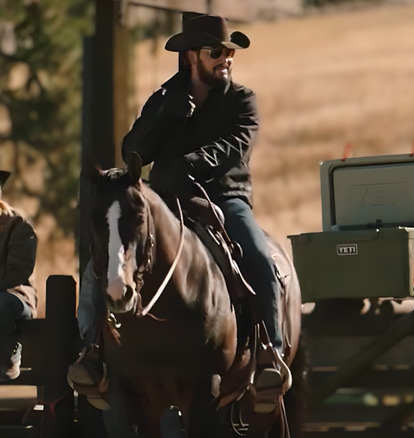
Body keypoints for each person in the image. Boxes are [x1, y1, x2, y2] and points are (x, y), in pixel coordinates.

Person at [68, 13, 287, 408]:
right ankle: (92, 352)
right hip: (164, 203)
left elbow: (236, 146)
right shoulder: (163, 99)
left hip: (225, 198)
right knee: (95, 265)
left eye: (229, 52)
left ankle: (271, 352)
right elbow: (132, 150)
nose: (226, 59)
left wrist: (191, 163)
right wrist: (162, 117)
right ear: (191, 57)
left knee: (260, 258)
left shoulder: (242, 100)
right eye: (215, 51)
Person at [0, 169, 38, 382]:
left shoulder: (18, 225)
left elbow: (17, 272)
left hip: (16, 297)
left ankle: (7, 356)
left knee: (1, 305)